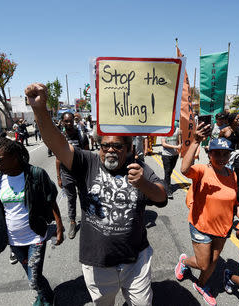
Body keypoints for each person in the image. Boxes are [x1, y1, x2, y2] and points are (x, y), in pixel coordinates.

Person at [25, 82, 167, 306]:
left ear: (129, 149)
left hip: (135, 260)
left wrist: (142, 183)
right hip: (98, 262)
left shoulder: (138, 167)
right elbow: (56, 142)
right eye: (105, 145)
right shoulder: (87, 163)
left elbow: (161, 197)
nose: (110, 150)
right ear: (98, 146)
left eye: (118, 146)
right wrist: (39, 110)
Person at [0, 137, 64, 306]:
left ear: (15, 156)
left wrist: (59, 226)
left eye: (0, 161)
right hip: (14, 240)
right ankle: (43, 294)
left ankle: (48, 299)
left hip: (35, 236)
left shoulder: (35, 174)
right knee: (32, 274)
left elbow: (51, 200)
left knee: (33, 277)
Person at [175, 126, 239, 306]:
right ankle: (185, 261)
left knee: (213, 262)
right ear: (209, 154)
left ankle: (201, 285)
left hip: (222, 227)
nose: (221, 158)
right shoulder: (203, 170)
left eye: (225, 154)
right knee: (204, 264)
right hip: (201, 225)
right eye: (216, 154)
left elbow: (234, 204)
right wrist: (195, 141)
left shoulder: (232, 174)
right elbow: (184, 170)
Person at [56, 112, 89, 239]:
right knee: (71, 199)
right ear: (62, 122)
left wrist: (88, 173)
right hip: (66, 174)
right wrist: (59, 177)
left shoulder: (82, 135)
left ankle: (86, 221)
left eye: (71, 121)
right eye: (66, 121)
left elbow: (87, 155)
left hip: (81, 173)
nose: (69, 123)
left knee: (84, 197)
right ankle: (72, 222)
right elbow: (58, 158)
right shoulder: (60, 137)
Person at [161, 120, 181, 199]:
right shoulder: (164, 131)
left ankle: (165, 183)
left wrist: (179, 147)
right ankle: (168, 190)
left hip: (175, 155)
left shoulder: (178, 130)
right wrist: (175, 147)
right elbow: (163, 144)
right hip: (166, 155)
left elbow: (179, 141)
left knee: (170, 171)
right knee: (167, 171)